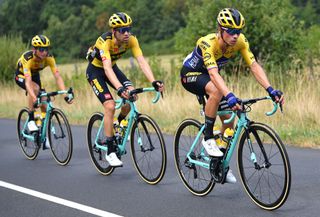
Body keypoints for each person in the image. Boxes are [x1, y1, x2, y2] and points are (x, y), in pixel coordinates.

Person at [180, 8, 284, 183]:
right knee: (217, 91)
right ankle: (208, 138)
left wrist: (271, 89)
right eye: (231, 31)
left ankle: (219, 162)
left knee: (229, 121)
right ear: (220, 30)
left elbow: (254, 66)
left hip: (210, 79)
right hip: (190, 75)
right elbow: (213, 74)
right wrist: (229, 95)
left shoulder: (240, 42)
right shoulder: (207, 43)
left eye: (238, 31)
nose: (236, 36)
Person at [86, 12, 164, 167]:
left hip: (113, 69)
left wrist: (153, 81)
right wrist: (119, 88)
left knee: (132, 95)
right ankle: (110, 152)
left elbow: (141, 62)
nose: (127, 33)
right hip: (96, 71)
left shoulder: (132, 40)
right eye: (122, 30)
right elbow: (106, 68)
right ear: (114, 31)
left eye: (128, 29)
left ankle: (119, 122)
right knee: (109, 106)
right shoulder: (104, 42)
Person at [15, 35, 74, 147]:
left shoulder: (49, 58)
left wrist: (65, 94)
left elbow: (57, 76)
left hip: (35, 74)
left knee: (45, 103)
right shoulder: (28, 58)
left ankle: (43, 135)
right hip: (22, 75)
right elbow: (28, 82)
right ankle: (31, 117)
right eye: (41, 49)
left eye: (46, 49)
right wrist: (33, 97)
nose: (44, 52)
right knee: (35, 89)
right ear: (34, 50)